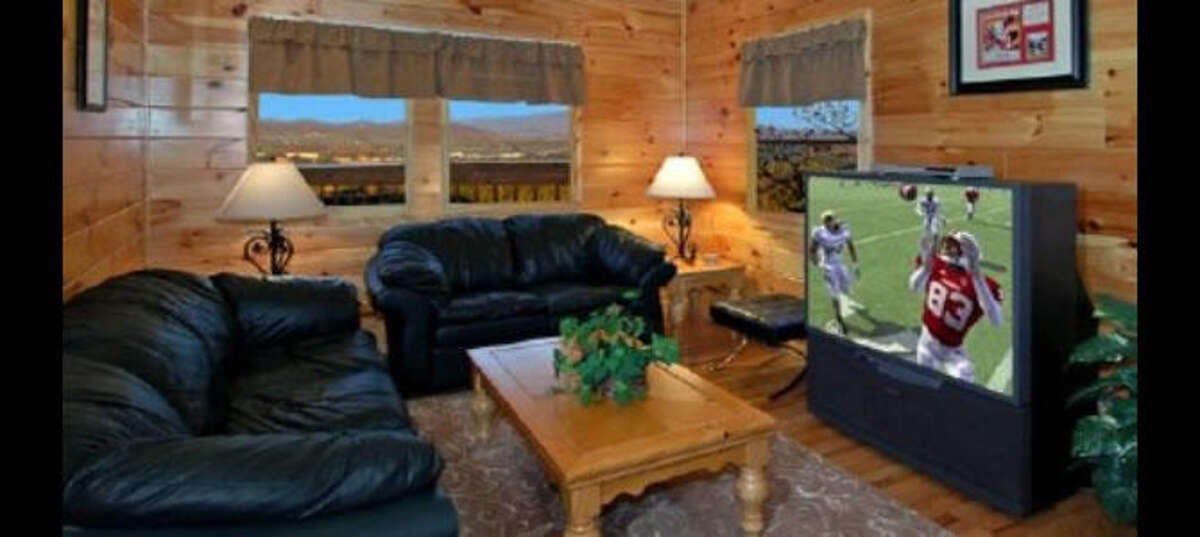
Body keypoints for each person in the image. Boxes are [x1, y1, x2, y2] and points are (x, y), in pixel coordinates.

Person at [907, 230, 1003, 382]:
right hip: (927, 342)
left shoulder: (983, 284)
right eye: (947, 245)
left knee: (964, 383)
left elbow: (996, 320)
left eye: (953, 246)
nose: (947, 249)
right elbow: (914, 287)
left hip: (953, 351)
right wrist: (925, 268)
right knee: (924, 384)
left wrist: (977, 275)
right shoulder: (935, 264)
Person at [810, 210, 859, 335]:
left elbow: (850, 245)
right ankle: (839, 320)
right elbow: (812, 251)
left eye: (830, 221)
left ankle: (843, 306)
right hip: (829, 266)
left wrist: (855, 263)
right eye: (826, 222)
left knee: (846, 288)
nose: (828, 224)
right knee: (834, 293)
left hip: (840, 264)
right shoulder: (819, 233)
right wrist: (819, 265)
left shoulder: (844, 229)